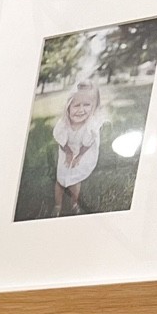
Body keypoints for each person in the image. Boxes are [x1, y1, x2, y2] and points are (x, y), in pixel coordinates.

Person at [53, 80, 104, 215]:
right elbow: (61, 140)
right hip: (66, 150)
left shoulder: (90, 126)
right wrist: (69, 153)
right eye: (76, 105)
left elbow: (88, 144)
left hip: (83, 152)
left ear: (93, 107)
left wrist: (79, 156)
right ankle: (57, 206)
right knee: (60, 180)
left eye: (87, 105)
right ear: (68, 106)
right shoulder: (63, 124)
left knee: (75, 180)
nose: (81, 110)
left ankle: (74, 203)